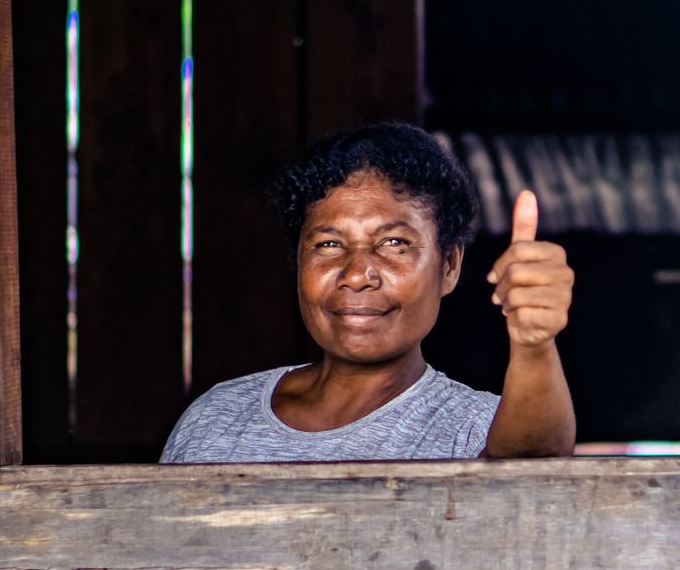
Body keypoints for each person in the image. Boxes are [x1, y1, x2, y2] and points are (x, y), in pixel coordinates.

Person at [161, 122, 576, 462]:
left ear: (449, 265)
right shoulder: (219, 417)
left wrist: (533, 346)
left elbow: (533, 459)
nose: (357, 274)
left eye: (394, 244)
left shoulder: (476, 425)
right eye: (329, 244)